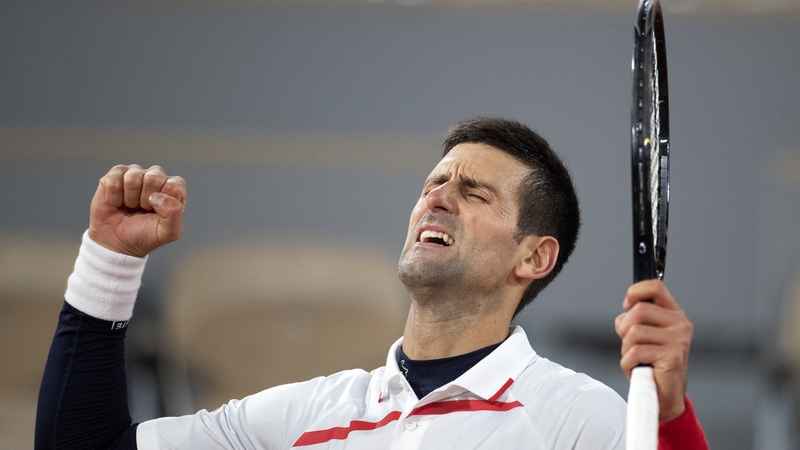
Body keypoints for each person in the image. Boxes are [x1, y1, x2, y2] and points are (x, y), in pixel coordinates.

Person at [35, 117, 706, 449]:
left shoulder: (576, 419)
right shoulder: (304, 417)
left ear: (533, 258)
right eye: (433, 184)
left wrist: (672, 416)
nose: (438, 199)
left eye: (473, 193)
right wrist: (110, 260)